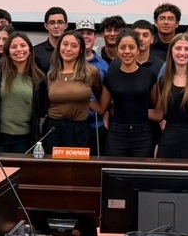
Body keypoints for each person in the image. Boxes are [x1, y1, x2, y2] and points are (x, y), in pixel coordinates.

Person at [93, 30, 159, 158]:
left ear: (138, 50)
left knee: (141, 174)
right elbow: (102, 108)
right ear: (117, 51)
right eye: (122, 47)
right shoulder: (111, 76)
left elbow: (158, 110)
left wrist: (137, 112)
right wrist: (81, 99)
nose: (127, 51)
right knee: (114, 173)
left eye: (132, 47)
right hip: (116, 134)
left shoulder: (149, 76)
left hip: (143, 134)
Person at [0, 32, 47, 153]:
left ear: (30, 50)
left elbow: (41, 110)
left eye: (23, 45)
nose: (19, 50)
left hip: (24, 141)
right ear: (8, 52)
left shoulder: (39, 77)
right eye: (14, 47)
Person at [43, 30, 103, 154]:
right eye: (65, 44)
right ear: (59, 46)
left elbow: (100, 97)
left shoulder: (91, 72)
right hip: (53, 129)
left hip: (79, 129)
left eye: (74, 46)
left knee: (78, 171)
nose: (68, 49)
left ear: (81, 50)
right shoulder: (51, 74)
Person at [155, 34, 188, 160]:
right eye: (178, 48)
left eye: (187, 49)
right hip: (169, 140)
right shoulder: (164, 81)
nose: (182, 53)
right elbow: (161, 112)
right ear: (171, 51)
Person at [76, 17, 109, 155]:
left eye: (89, 33)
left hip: (95, 125)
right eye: (81, 33)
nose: (85, 37)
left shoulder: (103, 65)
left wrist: (106, 123)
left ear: (95, 37)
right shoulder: (64, 62)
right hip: (73, 125)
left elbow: (107, 97)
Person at [34, 7, 68, 73]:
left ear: (66, 25)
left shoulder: (71, 50)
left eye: (60, 22)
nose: (56, 26)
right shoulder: (35, 52)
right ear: (46, 26)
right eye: (52, 23)